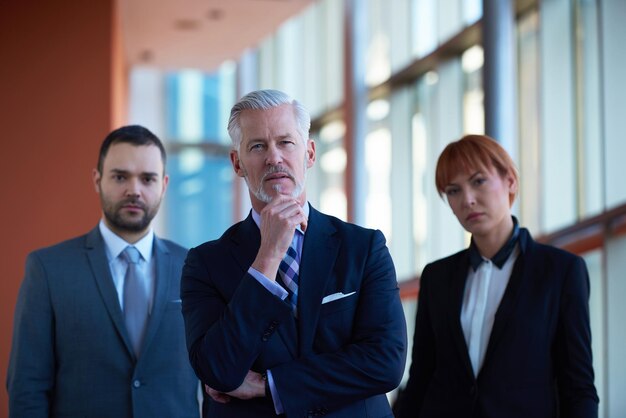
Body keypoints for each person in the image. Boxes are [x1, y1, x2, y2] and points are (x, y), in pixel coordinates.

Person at [180, 89, 407, 418]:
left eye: (286, 142)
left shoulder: (364, 247)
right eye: (257, 146)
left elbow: (385, 362)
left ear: (310, 154)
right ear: (237, 163)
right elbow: (218, 370)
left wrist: (269, 385)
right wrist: (267, 258)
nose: (274, 157)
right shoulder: (205, 264)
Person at [393, 134, 599, 418]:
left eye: (478, 181)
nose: (467, 199)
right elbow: (421, 376)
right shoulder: (436, 277)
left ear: (510, 181)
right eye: (453, 190)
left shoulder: (561, 271)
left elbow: (578, 385)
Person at [7, 125, 201, 418]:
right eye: (120, 176)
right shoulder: (48, 270)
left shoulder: (193, 268)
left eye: (147, 179)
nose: (134, 190)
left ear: (163, 185)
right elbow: (27, 388)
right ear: (97, 180)